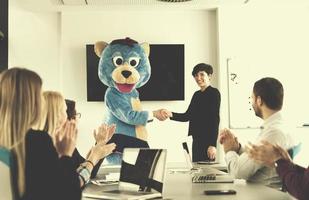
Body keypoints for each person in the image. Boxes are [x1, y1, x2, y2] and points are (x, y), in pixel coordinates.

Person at [0, 68, 79, 199]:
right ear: (32, 103)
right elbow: (68, 195)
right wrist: (65, 155)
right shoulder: (37, 141)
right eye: (40, 95)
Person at [219, 77, 293, 186]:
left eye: (251, 98)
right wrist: (238, 148)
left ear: (259, 100)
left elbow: (237, 172)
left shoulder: (273, 132)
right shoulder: (280, 126)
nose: (251, 103)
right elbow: (256, 159)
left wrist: (229, 151)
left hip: (263, 195)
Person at [37, 91, 116, 180]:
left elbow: (86, 171)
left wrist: (99, 144)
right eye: (63, 110)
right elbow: (73, 182)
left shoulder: (56, 142)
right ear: (56, 115)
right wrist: (93, 157)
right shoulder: (49, 146)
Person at [161, 63, 221, 162]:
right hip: (196, 138)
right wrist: (170, 114)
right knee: (196, 169)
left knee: (207, 173)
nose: (198, 78)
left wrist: (212, 144)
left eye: (202, 74)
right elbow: (187, 116)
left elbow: (215, 119)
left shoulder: (214, 93)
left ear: (209, 76)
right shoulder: (196, 95)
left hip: (208, 140)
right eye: (196, 75)